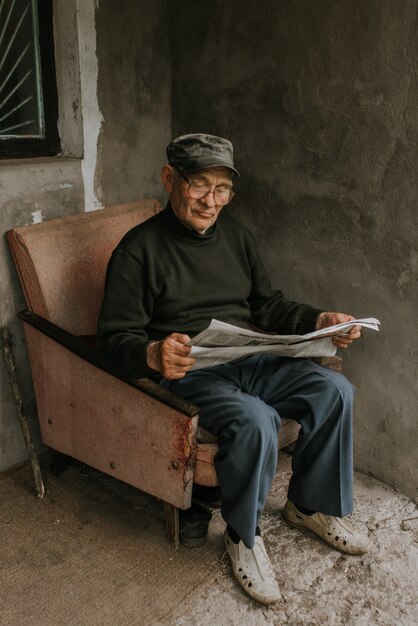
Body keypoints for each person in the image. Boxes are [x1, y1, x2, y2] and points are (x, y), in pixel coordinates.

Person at [97, 133, 371, 605]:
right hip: (194, 373)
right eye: (199, 185)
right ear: (169, 179)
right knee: (256, 420)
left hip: (249, 356)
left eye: (222, 189)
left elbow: (268, 306)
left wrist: (318, 321)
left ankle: (310, 507)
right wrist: (152, 353)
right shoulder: (136, 251)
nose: (211, 201)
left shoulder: (238, 237)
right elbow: (113, 340)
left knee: (335, 389)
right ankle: (243, 537)